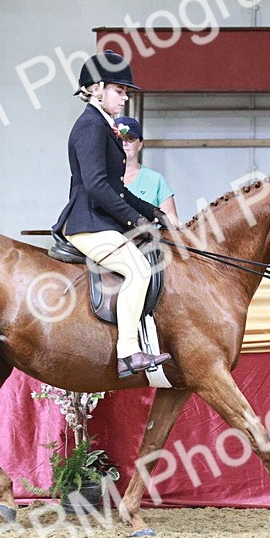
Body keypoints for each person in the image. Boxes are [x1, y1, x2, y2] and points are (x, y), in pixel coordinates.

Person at [53, 50, 173, 379]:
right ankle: (128, 352)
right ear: (96, 88)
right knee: (137, 270)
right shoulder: (91, 126)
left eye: (125, 93)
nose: (123, 99)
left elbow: (117, 189)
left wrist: (153, 212)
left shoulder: (103, 125)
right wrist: (137, 222)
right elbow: (95, 187)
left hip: (101, 219)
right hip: (87, 222)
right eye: (119, 91)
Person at [113, 116, 178, 222]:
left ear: (140, 145)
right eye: (120, 139)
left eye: (130, 138)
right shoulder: (101, 179)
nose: (124, 143)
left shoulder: (155, 180)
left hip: (150, 237)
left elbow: (171, 222)